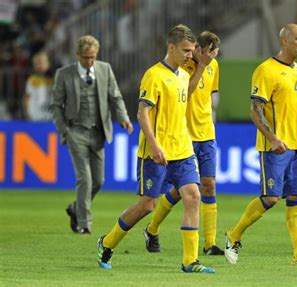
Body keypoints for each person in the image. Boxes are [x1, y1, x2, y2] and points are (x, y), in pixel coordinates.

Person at [96, 24, 215, 273]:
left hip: (182, 149)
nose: (189, 56)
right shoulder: (153, 75)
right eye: (185, 51)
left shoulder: (183, 75)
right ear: (170, 47)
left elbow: (187, 93)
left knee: (193, 196)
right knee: (146, 206)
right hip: (156, 152)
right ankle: (107, 242)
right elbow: (142, 113)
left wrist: (201, 67)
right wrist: (153, 144)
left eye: (192, 51)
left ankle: (190, 260)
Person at [224, 24, 297, 267]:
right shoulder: (266, 70)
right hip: (275, 147)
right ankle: (233, 235)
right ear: (285, 41)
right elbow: (255, 110)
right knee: (270, 198)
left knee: (296, 198)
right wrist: (272, 138)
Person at [143, 31, 225, 256]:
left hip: (206, 133)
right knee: (180, 191)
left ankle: (209, 243)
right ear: (198, 48)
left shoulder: (214, 66)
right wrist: (200, 67)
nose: (209, 56)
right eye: (205, 51)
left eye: (213, 53)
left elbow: (211, 95)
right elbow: (187, 93)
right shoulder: (183, 67)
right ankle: (152, 228)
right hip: (184, 136)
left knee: (208, 185)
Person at [51, 35, 133, 234]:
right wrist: (65, 131)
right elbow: (56, 105)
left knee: (98, 181)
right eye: (86, 57)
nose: (90, 61)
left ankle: (75, 208)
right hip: (75, 131)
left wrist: (123, 117)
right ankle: (84, 223)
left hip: (98, 132)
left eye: (93, 57)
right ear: (78, 55)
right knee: (85, 178)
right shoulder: (64, 74)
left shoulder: (104, 69)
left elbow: (115, 96)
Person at [23, 51, 54, 121]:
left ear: (48, 64)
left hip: (49, 116)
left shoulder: (54, 80)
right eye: (37, 63)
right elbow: (27, 97)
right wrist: (27, 114)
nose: (40, 65)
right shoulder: (31, 80)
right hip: (35, 116)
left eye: (42, 63)